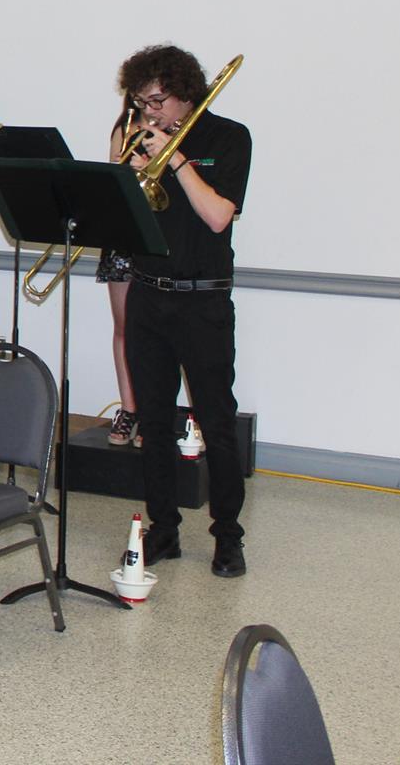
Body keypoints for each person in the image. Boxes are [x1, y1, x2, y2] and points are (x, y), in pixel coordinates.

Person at [117, 45, 251, 578]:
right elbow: (126, 221)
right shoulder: (139, 138)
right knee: (153, 420)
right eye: (141, 102)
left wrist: (175, 160)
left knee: (216, 421)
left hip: (203, 299)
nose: (149, 112)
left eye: (157, 101)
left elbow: (218, 217)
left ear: (185, 92)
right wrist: (129, 173)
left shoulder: (229, 137)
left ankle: (228, 536)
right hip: (148, 295)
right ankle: (164, 528)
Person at [97, 103, 142, 446]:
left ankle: (155, 410)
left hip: (160, 234)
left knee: (160, 331)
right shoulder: (124, 127)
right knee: (124, 326)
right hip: (123, 237)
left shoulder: (177, 129)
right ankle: (129, 408)